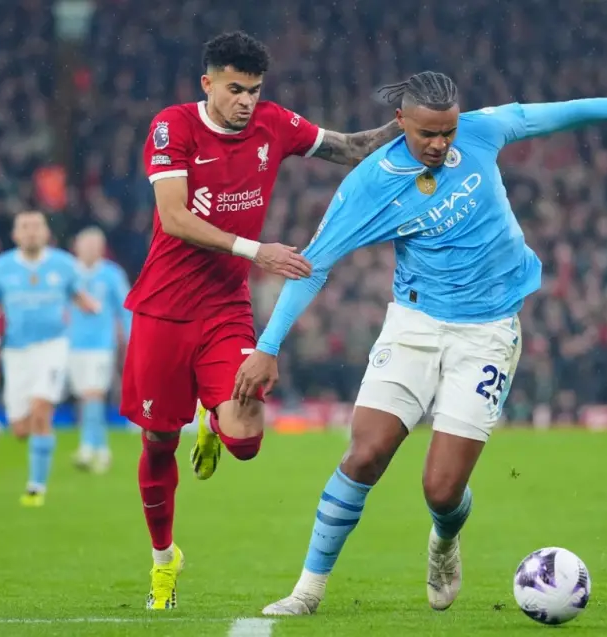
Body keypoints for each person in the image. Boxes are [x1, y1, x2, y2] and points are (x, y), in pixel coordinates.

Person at [232, 71, 607, 615]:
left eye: (447, 131)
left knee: (442, 490)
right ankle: (307, 591)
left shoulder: (479, 131)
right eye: (427, 133)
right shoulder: (370, 184)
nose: (440, 144)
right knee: (365, 455)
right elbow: (313, 266)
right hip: (414, 327)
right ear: (400, 121)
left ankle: (444, 541)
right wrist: (268, 346)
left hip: (488, 334)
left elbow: (555, 112)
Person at [121, 30, 402, 610]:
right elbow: (173, 218)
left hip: (225, 307)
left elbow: (351, 148)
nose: (246, 101)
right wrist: (257, 251)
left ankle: (214, 415)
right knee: (158, 443)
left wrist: (410, 123)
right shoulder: (173, 126)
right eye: (235, 90)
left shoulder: (274, 124)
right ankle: (164, 560)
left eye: (253, 90)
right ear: (208, 83)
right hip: (163, 308)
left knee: (246, 443)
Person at [0, 211, 99, 507]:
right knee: (20, 429)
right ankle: (35, 441)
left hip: (52, 347)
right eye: (25, 227)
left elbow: (78, 295)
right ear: (15, 235)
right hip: (16, 352)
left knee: (41, 409)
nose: (31, 232)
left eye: (36, 226)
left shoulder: (64, 264)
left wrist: (91, 306)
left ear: (46, 233)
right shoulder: (1, 267)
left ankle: (35, 487)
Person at [67, 227, 133, 474]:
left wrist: (132, 339)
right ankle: (101, 449)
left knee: (93, 394)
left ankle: (89, 448)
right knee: (86, 398)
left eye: (96, 245)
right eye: (87, 244)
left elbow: (125, 308)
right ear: (77, 246)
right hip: (73, 344)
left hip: (102, 345)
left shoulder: (111, 274)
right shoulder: (68, 272)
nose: (91, 249)